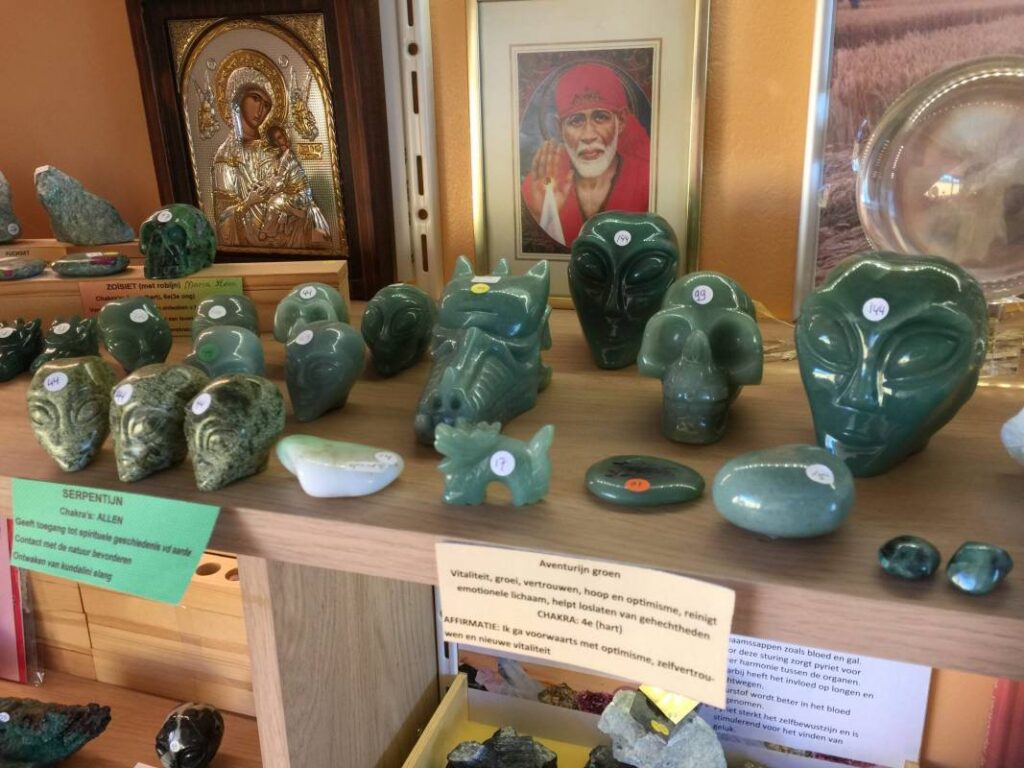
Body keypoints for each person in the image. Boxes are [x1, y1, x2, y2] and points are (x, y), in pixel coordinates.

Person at [522, 62, 651, 247]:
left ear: (621, 121)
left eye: (600, 117)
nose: (588, 135)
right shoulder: (540, 187)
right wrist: (543, 213)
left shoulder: (647, 179)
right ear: (560, 128)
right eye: (576, 121)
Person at [212, 68, 330, 248]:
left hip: (291, 226)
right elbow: (223, 219)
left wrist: (292, 206)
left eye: (266, 105)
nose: (261, 109)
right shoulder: (226, 156)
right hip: (253, 243)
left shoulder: (273, 149)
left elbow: (295, 186)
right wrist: (248, 203)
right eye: (255, 98)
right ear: (239, 98)